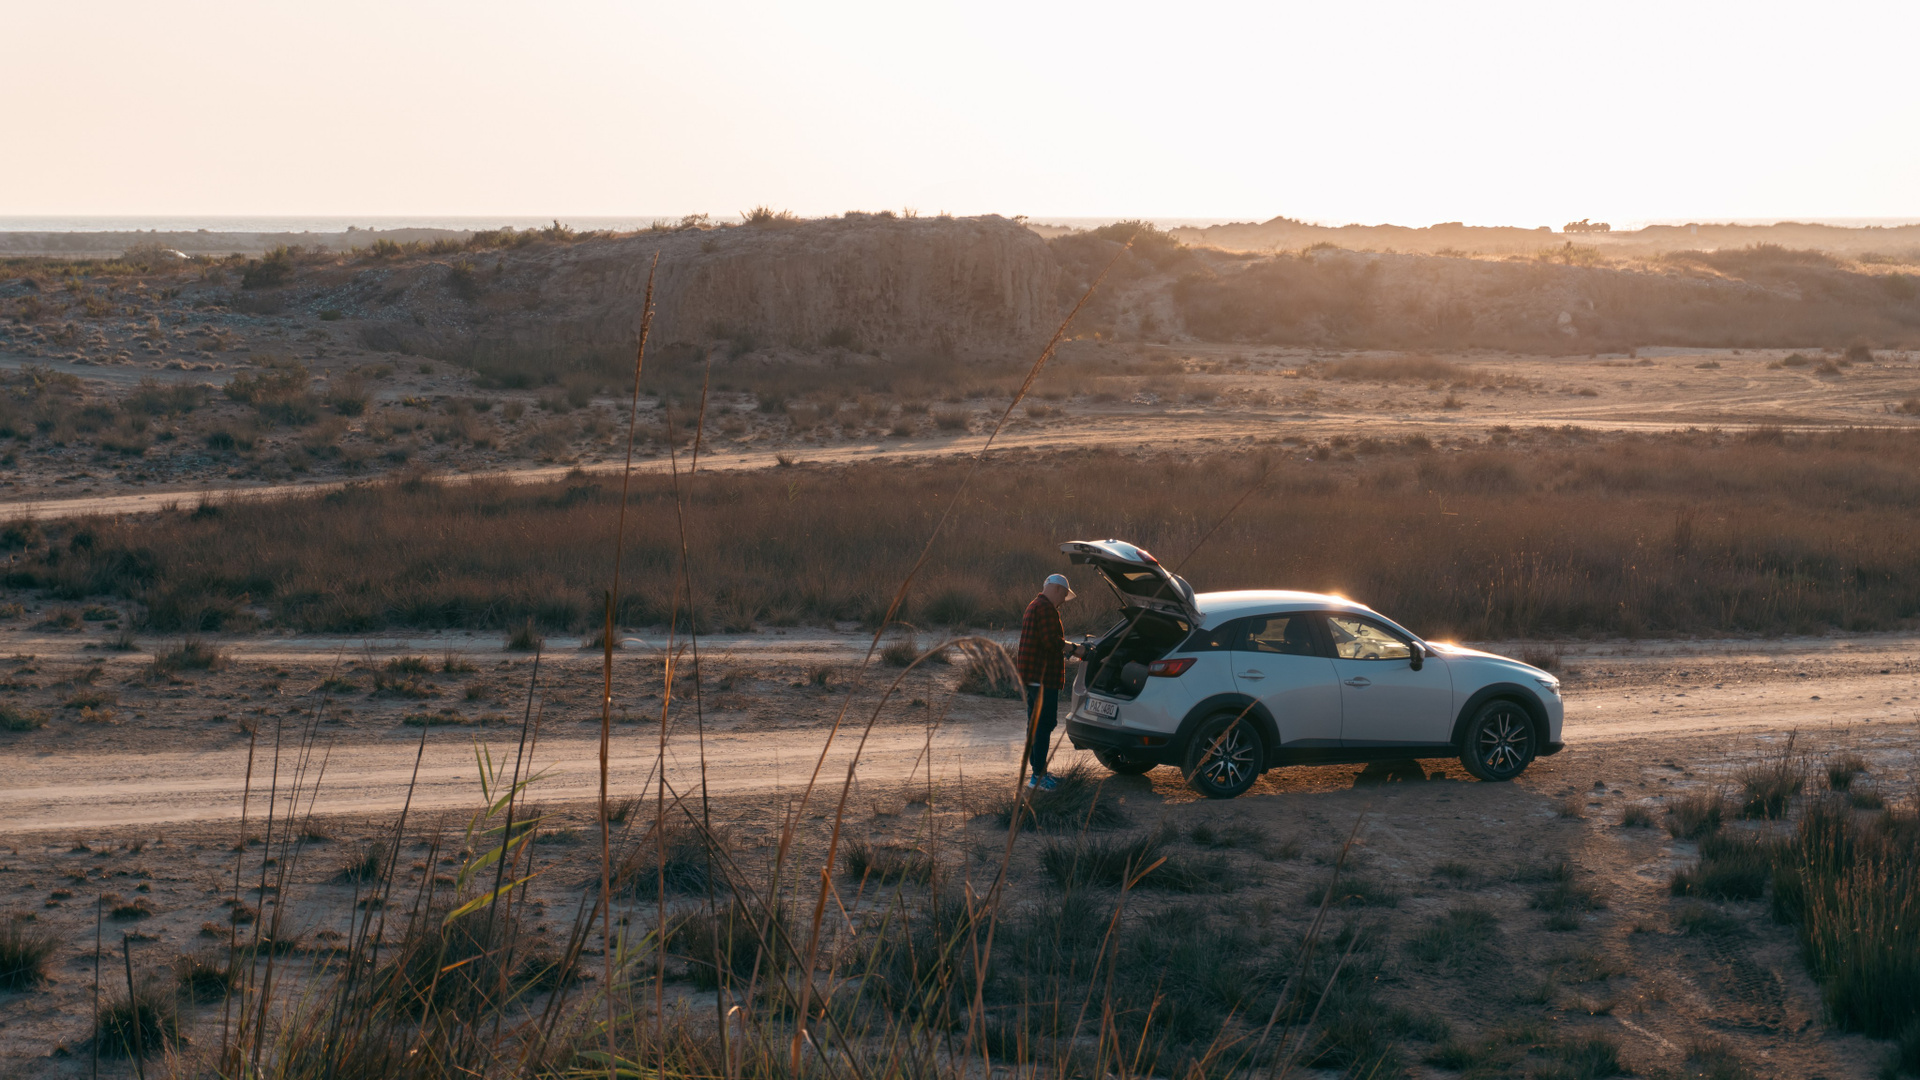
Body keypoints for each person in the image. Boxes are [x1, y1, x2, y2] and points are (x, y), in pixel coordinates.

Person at [1016, 572, 1081, 790]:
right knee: (1044, 725)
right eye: (1063, 595)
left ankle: (1038, 772)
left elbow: (1046, 641)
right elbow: (1051, 641)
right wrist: (1074, 648)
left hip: (1031, 676)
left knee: (1035, 725)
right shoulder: (1045, 609)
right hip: (1043, 678)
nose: (1063, 600)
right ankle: (1037, 777)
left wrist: (1068, 647)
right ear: (1057, 589)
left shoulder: (1034, 605)